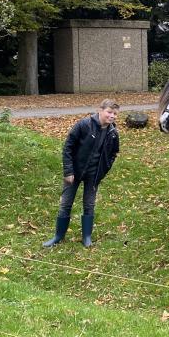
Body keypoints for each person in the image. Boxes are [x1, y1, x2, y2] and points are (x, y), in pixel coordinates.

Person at [43, 99, 120, 249]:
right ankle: (58, 236)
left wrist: (103, 171)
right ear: (100, 110)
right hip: (75, 173)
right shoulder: (84, 125)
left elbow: (113, 154)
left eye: (115, 114)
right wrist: (69, 171)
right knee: (66, 204)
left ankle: (86, 237)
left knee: (89, 204)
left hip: (94, 174)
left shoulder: (113, 133)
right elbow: (68, 148)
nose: (112, 116)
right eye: (109, 112)